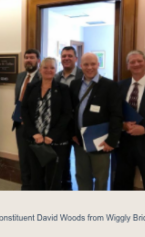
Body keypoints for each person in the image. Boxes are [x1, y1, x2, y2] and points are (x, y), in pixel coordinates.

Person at [70, 53, 122, 190]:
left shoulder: (110, 85)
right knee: (82, 175)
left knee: (101, 177)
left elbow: (116, 115)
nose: (90, 67)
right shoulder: (75, 84)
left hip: (101, 141)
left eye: (93, 64)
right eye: (86, 64)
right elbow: (72, 112)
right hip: (79, 140)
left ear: (98, 65)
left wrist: (112, 140)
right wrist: (73, 133)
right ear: (80, 66)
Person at [21, 57, 72, 190]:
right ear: (40, 69)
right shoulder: (31, 87)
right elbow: (24, 110)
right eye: (45, 67)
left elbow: (67, 114)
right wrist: (34, 133)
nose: (48, 70)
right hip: (35, 141)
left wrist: (52, 135)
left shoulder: (63, 89)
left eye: (52, 67)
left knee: (53, 179)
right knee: (36, 177)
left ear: (56, 70)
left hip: (55, 142)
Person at [114, 50, 145, 190]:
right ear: (128, 66)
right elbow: (113, 113)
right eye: (132, 62)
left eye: (139, 61)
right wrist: (122, 125)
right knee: (122, 186)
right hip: (124, 147)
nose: (136, 64)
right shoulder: (119, 86)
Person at [54, 46, 83, 190]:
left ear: (76, 59)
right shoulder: (56, 77)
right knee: (63, 162)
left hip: (79, 127)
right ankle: (66, 187)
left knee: (82, 164)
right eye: (64, 56)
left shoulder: (84, 76)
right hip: (61, 128)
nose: (66, 58)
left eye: (70, 56)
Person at [12, 49, 41, 190]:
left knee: (34, 157)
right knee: (23, 156)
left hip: (35, 125)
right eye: (26, 57)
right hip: (19, 123)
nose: (29, 60)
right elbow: (18, 99)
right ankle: (26, 185)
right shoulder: (21, 76)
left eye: (32, 57)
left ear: (38, 60)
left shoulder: (43, 77)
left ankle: (35, 186)